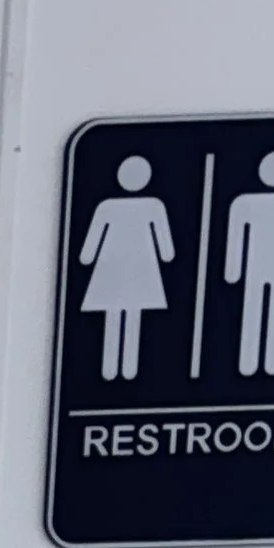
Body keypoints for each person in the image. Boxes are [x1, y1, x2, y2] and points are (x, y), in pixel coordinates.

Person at [77, 153, 174, 383]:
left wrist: (87, 257)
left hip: (121, 270)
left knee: (122, 316)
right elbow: (166, 248)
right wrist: (166, 254)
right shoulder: (151, 206)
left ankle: (118, 371)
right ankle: (121, 370)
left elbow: (89, 247)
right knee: (129, 316)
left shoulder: (110, 207)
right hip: (133, 270)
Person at [224, 149, 274, 379]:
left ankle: (271, 365)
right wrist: (233, 271)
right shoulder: (245, 202)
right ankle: (248, 363)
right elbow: (237, 236)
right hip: (256, 268)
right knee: (254, 310)